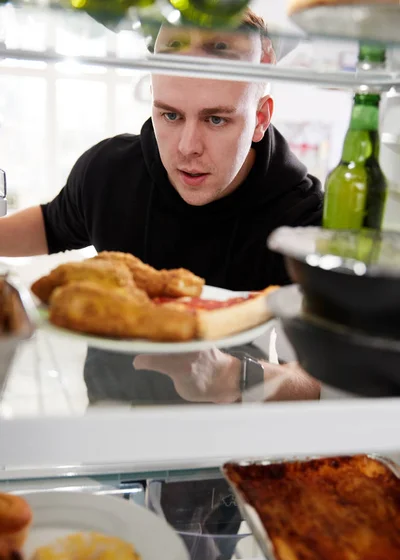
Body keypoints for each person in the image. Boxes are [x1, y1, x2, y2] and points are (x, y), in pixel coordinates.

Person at [0, 9, 322, 402]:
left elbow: (325, 379)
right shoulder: (110, 171)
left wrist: (227, 376)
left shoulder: (301, 218)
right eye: (169, 115)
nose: (187, 147)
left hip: (230, 426)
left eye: (216, 120)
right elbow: (53, 223)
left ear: (260, 118)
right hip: (108, 416)